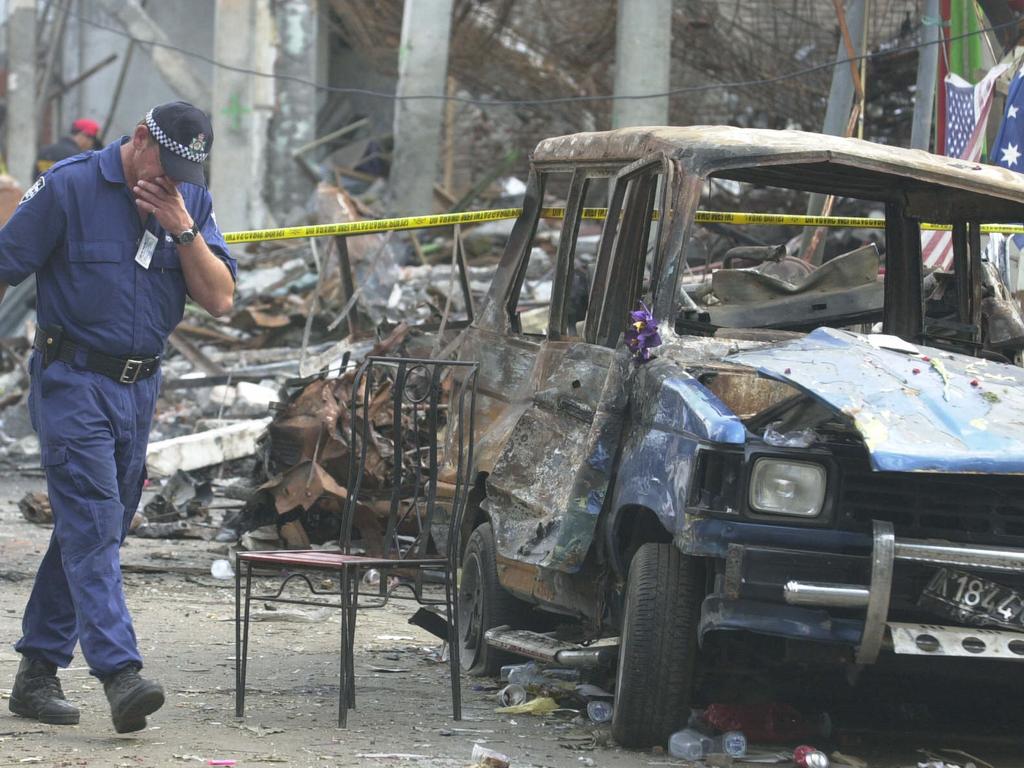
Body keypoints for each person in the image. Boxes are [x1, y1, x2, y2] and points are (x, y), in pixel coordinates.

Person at [1, 101, 236, 733]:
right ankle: (119, 673)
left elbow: (218, 297)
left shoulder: (191, 201)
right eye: (169, 163)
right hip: (72, 378)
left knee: (94, 527)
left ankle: (36, 672)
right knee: (95, 519)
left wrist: (183, 226)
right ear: (139, 140)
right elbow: (5, 263)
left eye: (190, 168)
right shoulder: (71, 186)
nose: (177, 177)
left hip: (139, 388)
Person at [34, 118, 102, 179]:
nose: (91, 144)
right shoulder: (78, 157)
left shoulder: (44, 150)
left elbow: (36, 178)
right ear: (83, 135)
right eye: (92, 140)